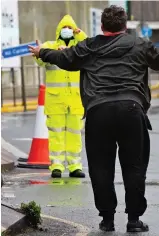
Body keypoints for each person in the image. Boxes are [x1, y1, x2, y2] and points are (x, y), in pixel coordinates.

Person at [29, 5, 159, 233]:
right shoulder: (139, 44)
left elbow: (64, 58)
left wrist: (42, 52)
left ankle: (107, 219)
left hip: (98, 112)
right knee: (134, 167)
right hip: (131, 110)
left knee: (101, 168)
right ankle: (133, 219)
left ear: (101, 26)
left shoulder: (88, 46)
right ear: (125, 25)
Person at [33, 15, 87, 178]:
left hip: (75, 101)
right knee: (56, 134)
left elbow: (89, 46)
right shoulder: (50, 47)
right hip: (55, 100)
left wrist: (79, 33)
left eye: (71, 28)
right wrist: (38, 53)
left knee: (74, 135)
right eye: (65, 27)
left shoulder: (79, 49)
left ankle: (75, 166)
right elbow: (41, 62)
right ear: (59, 30)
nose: (67, 30)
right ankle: (56, 165)